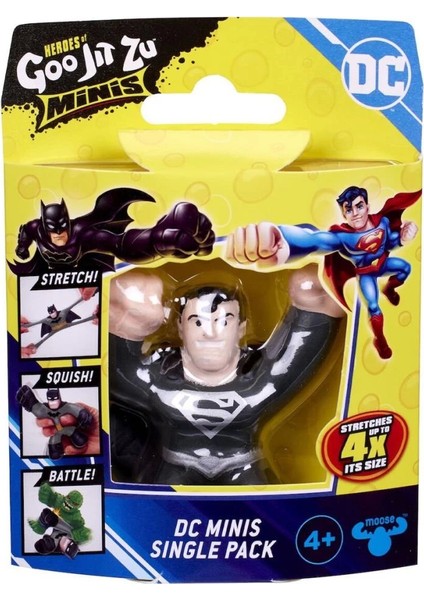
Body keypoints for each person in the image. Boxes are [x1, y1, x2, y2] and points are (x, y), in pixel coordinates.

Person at [108, 262, 345, 486]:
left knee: (266, 512)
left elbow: (296, 358)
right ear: (180, 328)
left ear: (241, 328)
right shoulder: (159, 383)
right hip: (176, 468)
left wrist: (313, 303)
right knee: (156, 509)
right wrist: (131, 317)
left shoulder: (261, 383)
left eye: (223, 321)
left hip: (243, 467)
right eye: (197, 322)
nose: (210, 333)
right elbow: (120, 371)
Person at [226, 186, 420, 359]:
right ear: (344, 214)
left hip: (384, 265)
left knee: (406, 268)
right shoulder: (344, 238)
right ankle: (380, 341)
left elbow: (391, 242)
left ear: (367, 207)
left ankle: (390, 289)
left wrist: (404, 238)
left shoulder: (382, 223)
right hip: (367, 273)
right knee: (373, 307)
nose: (355, 214)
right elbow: (317, 241)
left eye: (359, 206)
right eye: (349, 210)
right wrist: (283, 241)